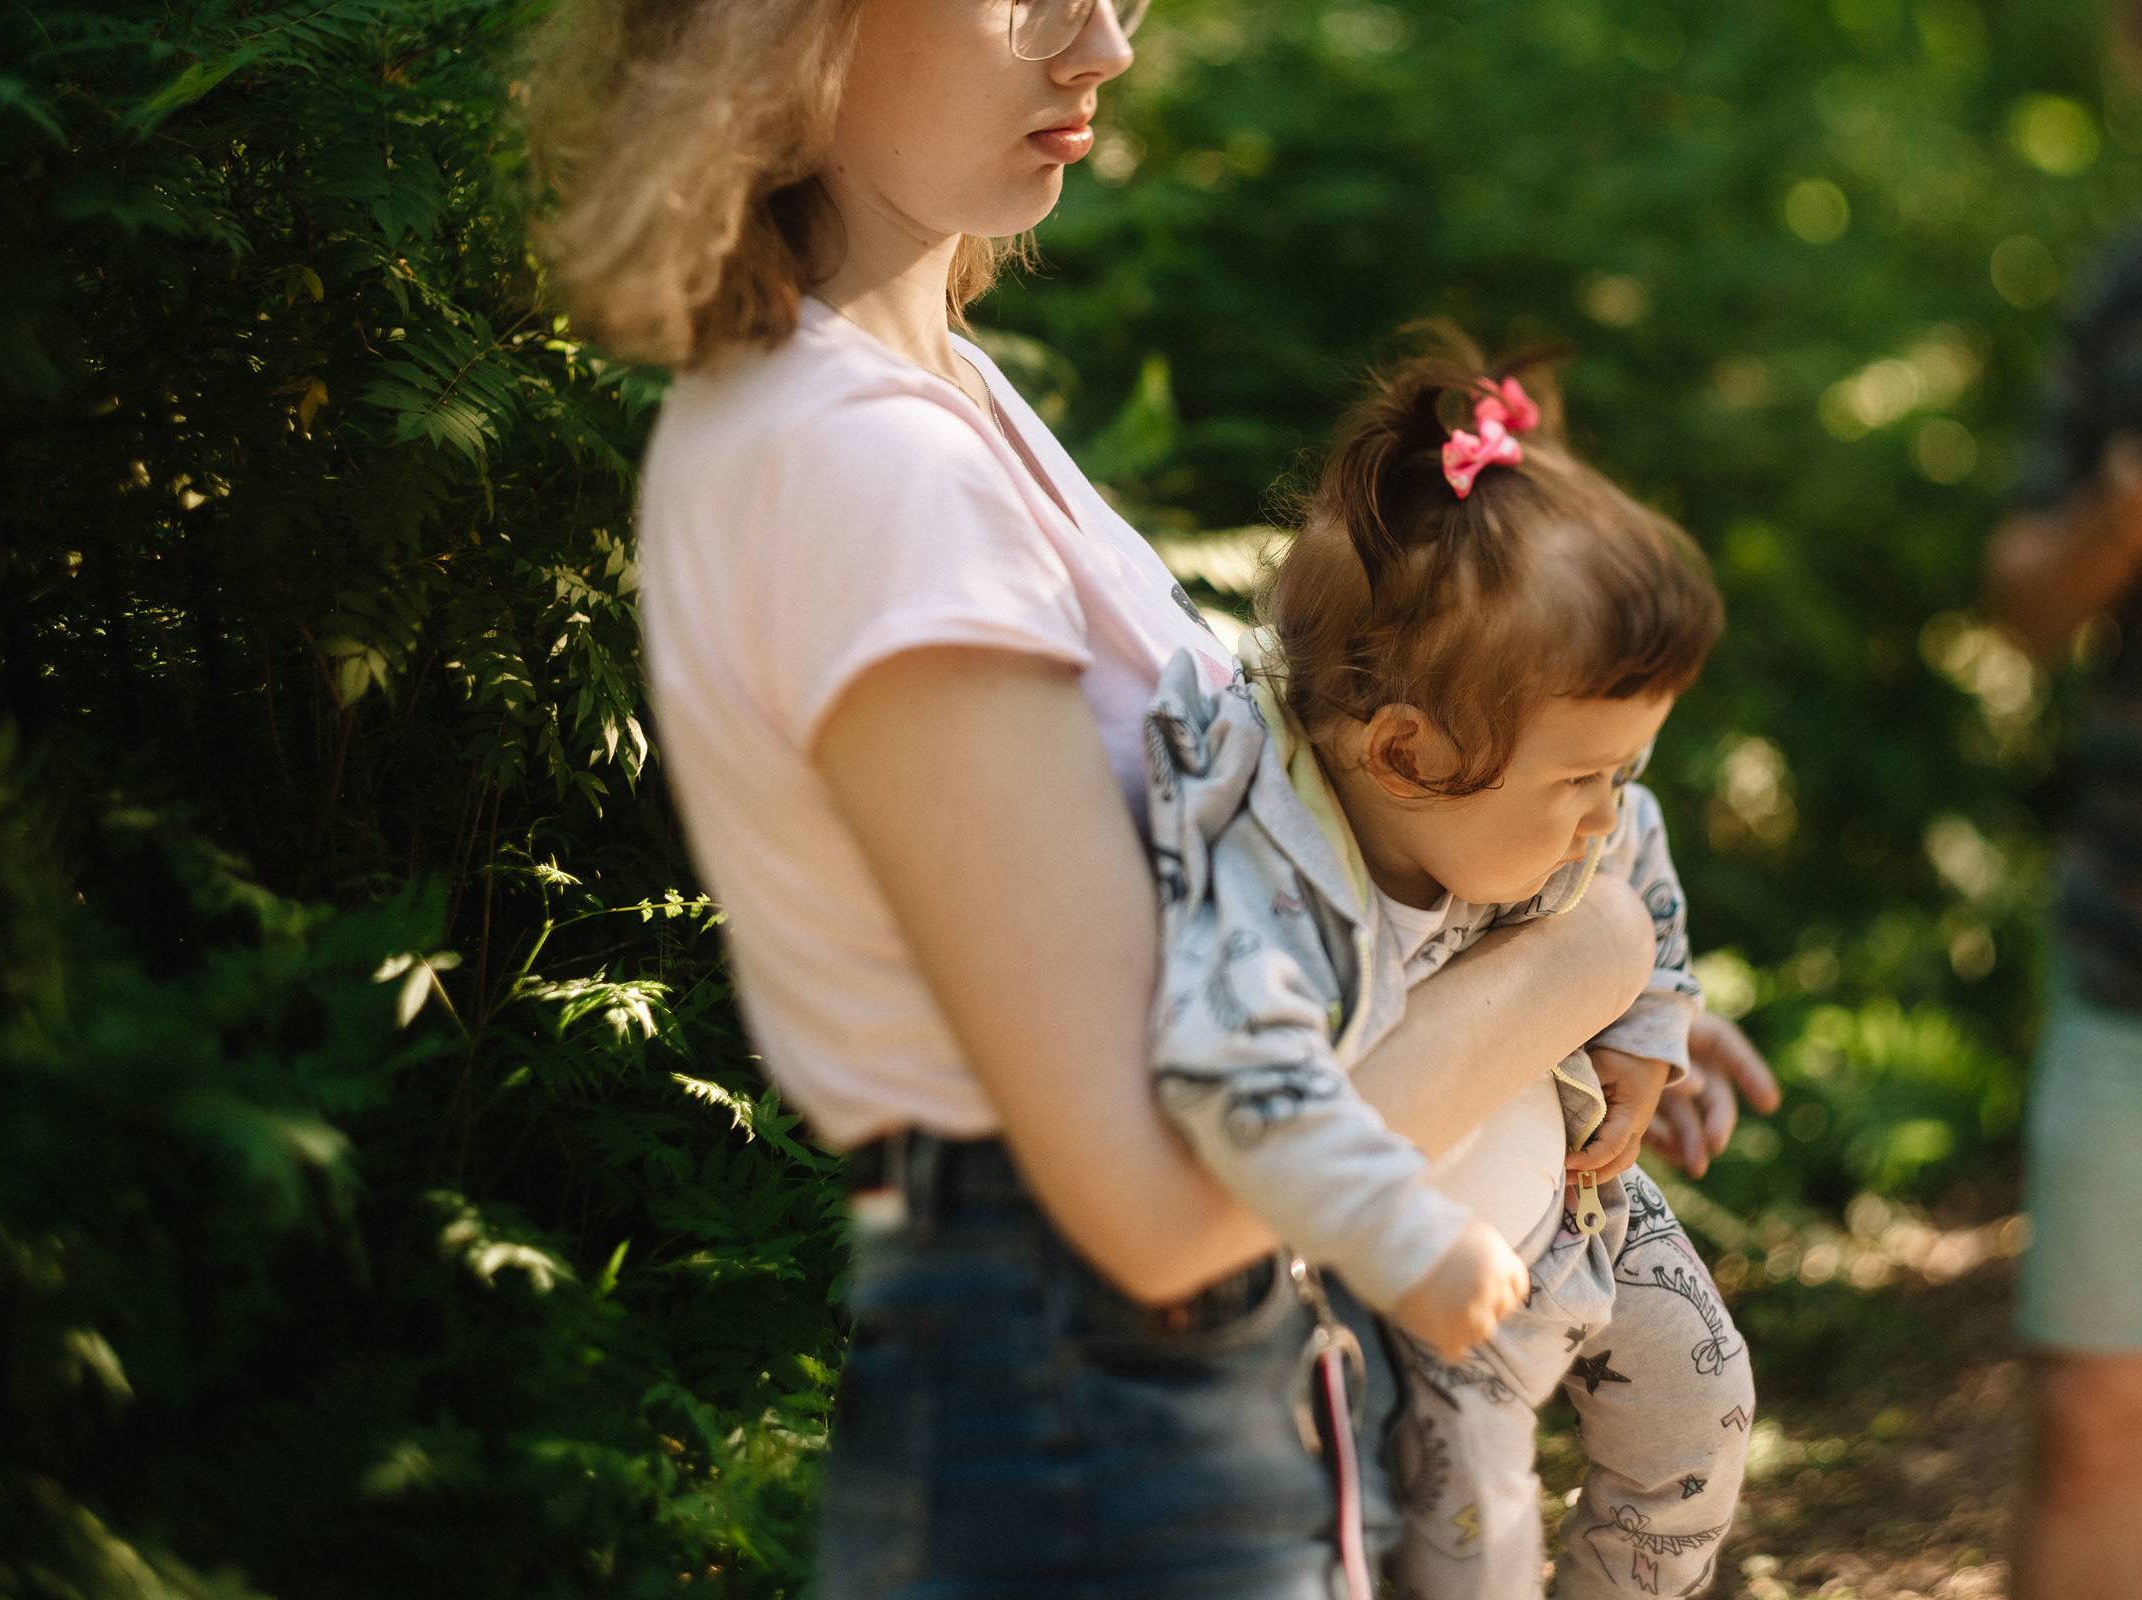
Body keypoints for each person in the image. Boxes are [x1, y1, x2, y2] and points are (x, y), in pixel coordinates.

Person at [527, 1, 1771, 1592]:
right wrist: (1574, 964)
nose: (1102, 43)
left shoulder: (943, 396)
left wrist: (1545, 967)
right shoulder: (863, 465)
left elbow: (1278, 869)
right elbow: (1158, 1205)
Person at [1144, 344, 1751, 1600]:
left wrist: (1652, 1018)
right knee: (1478, 1542)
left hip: (1579, 1193)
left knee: (1701, 1410)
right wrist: (1407, 1237)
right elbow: (1232, 1081)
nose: (1607, 811)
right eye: (1580, 776)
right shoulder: (1276, 881)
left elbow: (1634, 852)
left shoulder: (1548, 806)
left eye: (1624, 766)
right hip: (1422, 1298)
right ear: (1407, 754)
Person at [1986, 9, 2142, 1592]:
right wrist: (2131, 519)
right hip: (2138, 960)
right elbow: (2020, 599)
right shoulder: (2131, 291)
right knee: (2101, 1421)